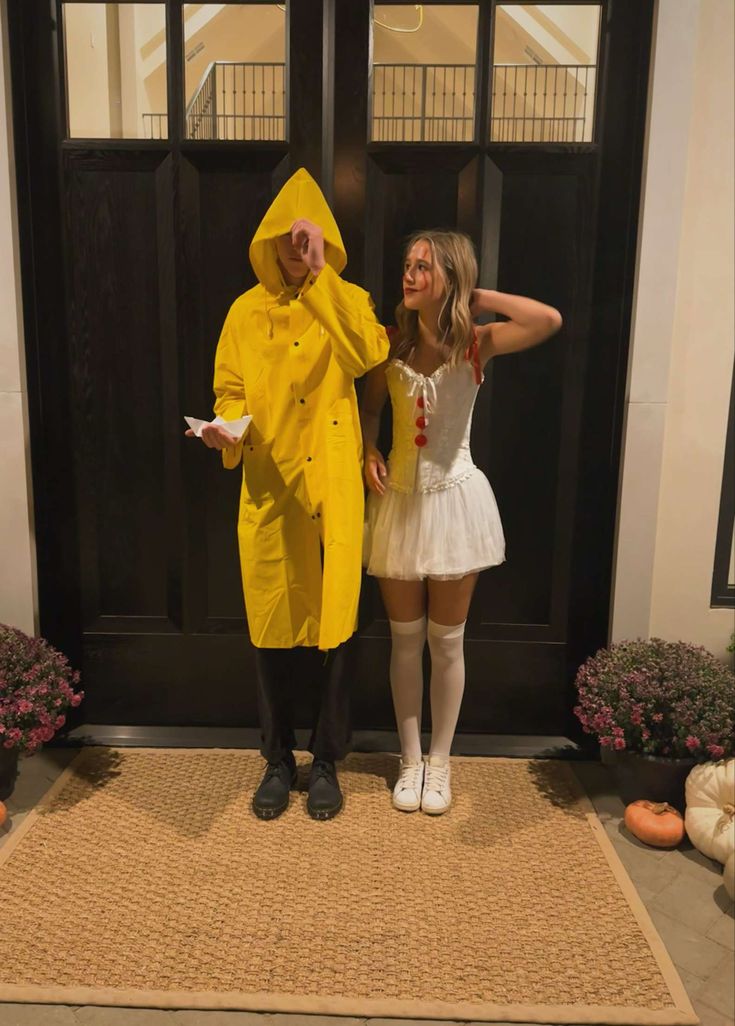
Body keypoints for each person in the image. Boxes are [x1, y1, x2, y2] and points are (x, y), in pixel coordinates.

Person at [188, 168, 389, 820]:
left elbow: (367, 356)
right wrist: (227, 429)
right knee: (270, 629)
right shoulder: (244, 311)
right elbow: (229, 388)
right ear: (266, 243)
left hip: (331, 487)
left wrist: (323, 281)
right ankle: (277, 759)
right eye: (284, 239)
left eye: (305, 239)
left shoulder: (349, 300)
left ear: (324, 241)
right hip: (269, 486)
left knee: (336, 631)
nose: (293, 250)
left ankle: (327, 759)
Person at [360, 230, 562, 815]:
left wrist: (478, 295)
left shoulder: (476, 344)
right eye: (407, 264)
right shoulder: (390, 346)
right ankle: (410, 761)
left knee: (446, 644)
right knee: (404, 642)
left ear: (451, 277)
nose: (410, 274)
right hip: (398, 500)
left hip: (454, 501)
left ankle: (441, 762)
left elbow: (547, 319)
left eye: (424, 267)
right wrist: (368, 449)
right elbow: (371, 407)